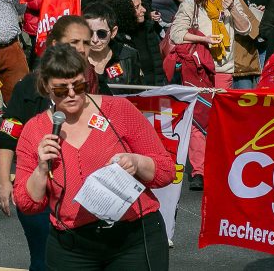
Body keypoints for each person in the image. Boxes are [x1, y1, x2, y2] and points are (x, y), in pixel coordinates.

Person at [13, 44, 175, 269]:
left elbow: (166, 170)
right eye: (61, 89)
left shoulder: (119, 110)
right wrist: (41, 168)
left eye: (78, 86)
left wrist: (136, 162)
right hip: (72, 246)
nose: (71, 94)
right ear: (46, 88)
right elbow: (27, 203)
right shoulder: (35, 129)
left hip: (134, 238)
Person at [0, 16, 95, 271]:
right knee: (44, 259)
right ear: (54, 44)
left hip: (82, 194)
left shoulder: (96, 83)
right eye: (73, 42)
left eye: (86, 42)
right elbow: (7, 137)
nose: (82, 48)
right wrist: (5, 182)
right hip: (39, 191)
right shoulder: (28, 87)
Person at [169, 0, 252, 190]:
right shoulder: (192, 2)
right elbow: (176, 34)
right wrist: (204, 39)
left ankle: (218, 167)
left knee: (220, 121)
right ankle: (198, 170)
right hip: (200, 71)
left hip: (224, 69)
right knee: (199, 120)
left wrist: (232, 9)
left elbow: (245, 29)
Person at [106, 0, 163, 85]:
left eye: (141, 4)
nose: (144, 10)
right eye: (137, 7)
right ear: (124, 12)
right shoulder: (115, 40)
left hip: (156, 90)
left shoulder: (149, 29)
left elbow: (158, 68)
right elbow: (113, 74)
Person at [83, 2, 140, 87]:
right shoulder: (76, 60)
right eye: (89, 33)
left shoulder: (128, 56)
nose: (95, 40)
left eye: (101, 34)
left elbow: (136, 92)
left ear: (113, 32)